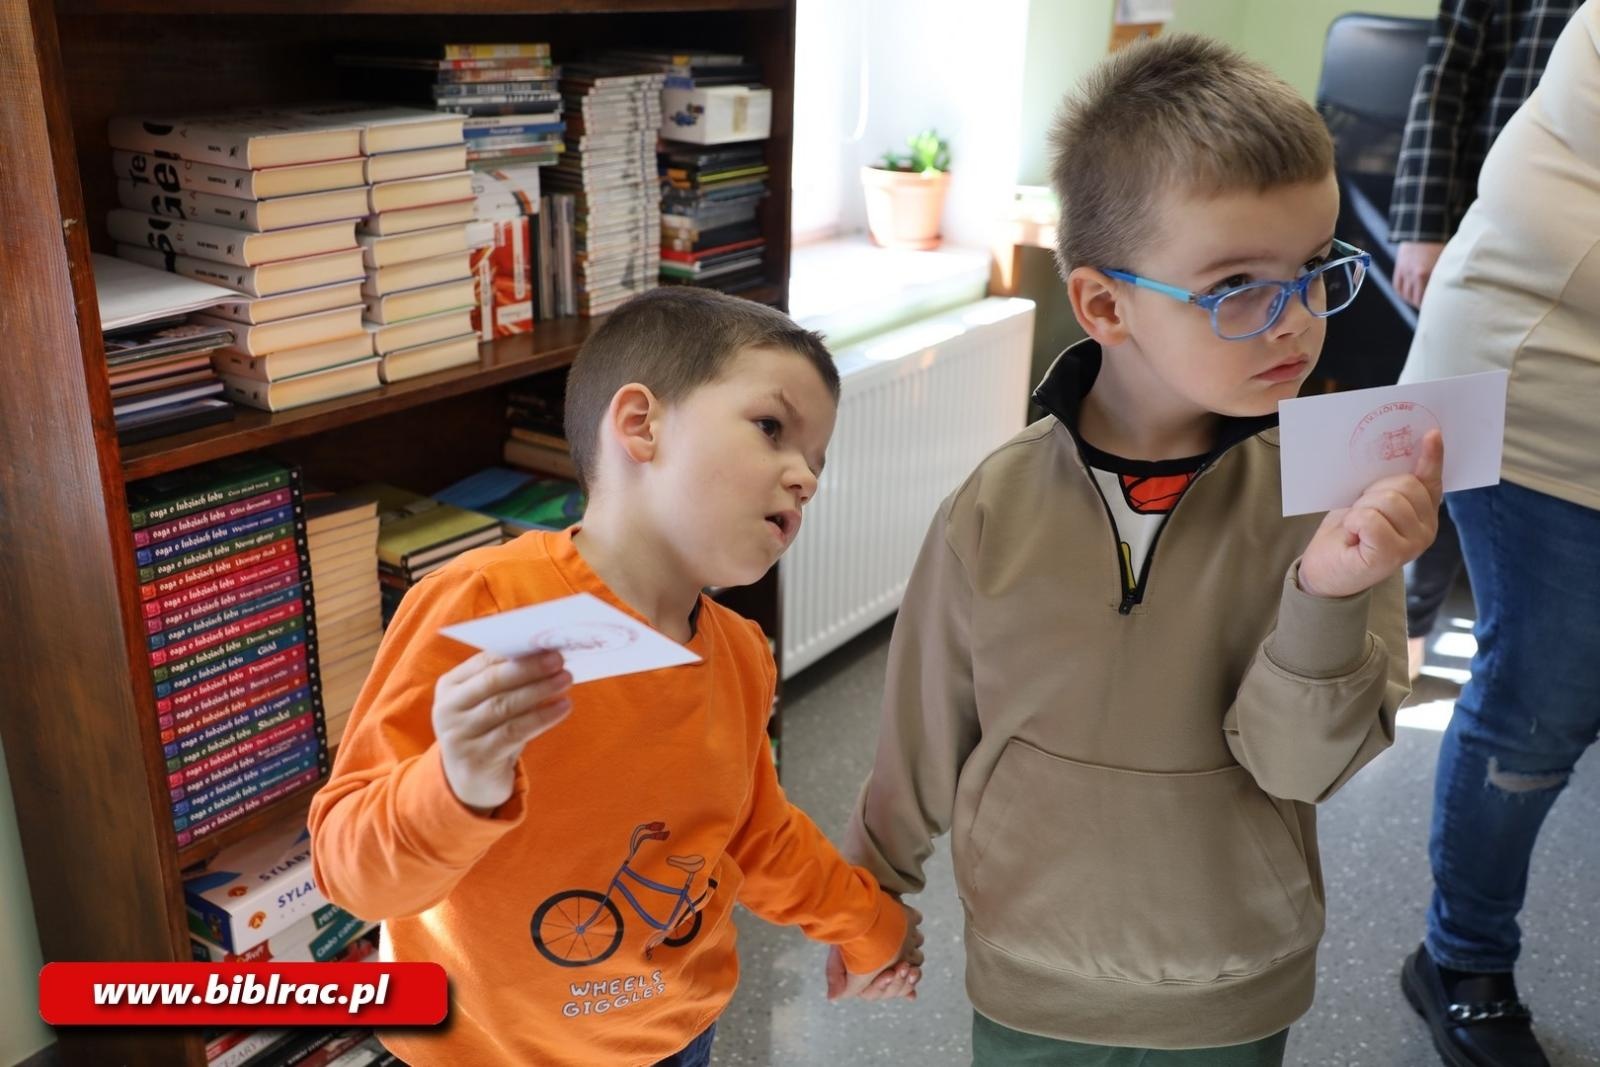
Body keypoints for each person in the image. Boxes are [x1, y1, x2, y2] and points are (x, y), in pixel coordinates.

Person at [842, 35, 1442, 1066]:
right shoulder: (995, 505)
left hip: (1229, 982)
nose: (1295, 317)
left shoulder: (1335, 502)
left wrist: (1327, 588)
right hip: (1030, 970)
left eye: (1311, 269)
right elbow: (922, 730)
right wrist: (869, 896)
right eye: (1238, 285)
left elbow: (1300, 766)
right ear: (1105, 305)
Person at [309, 287, 921, 1067]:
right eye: (772, 429)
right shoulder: (479, 603)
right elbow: (349, 871)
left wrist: (867, 925)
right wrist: (455, 781)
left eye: (817, 459)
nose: (804, 476)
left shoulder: (740, 652)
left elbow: (756, 833)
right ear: (640, 424)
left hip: (675, 1038)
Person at [1396, 4, 1600, 1065]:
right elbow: (1451, 68)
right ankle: (1462, 955)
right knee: (1540, 699)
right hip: (1538, 374)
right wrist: (1417, 222)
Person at [1389, 0, 1578, 679]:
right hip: (1489, 229)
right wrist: (1420, 225)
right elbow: (1446, 78)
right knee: (1451, 438)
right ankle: (1406, 633)